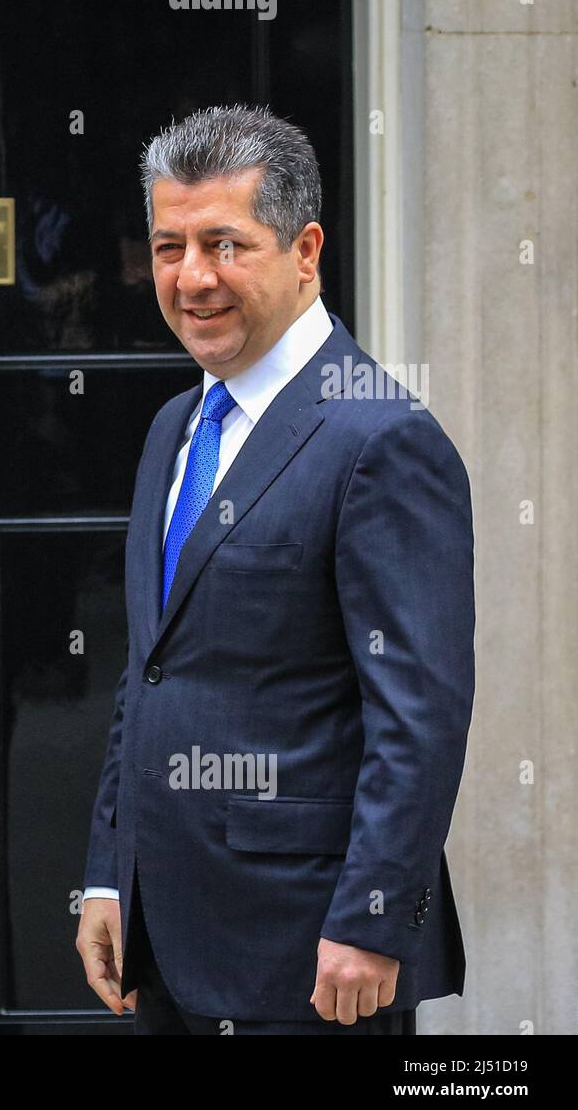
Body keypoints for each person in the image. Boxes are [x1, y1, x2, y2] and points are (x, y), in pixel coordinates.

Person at [75, 105, 473, 1035]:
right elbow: (151, 673)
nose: (192, 276)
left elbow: (420, 713)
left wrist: (374, 919)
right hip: (165, 937)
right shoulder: (173, 428)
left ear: (305, 250)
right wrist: (106, 870)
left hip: (311, 958)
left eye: (225, 243)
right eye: (169, 246)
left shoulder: (383, 438)